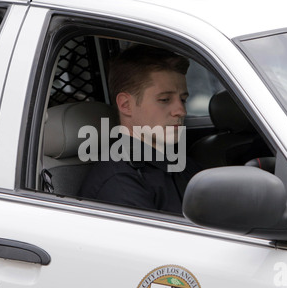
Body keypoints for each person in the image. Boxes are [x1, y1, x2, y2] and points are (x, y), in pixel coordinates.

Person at [78, 45, 201, 214]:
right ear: (126, 105)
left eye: (183, 99)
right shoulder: (121, 182)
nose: (181, 111)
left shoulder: (181, 163)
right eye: (165, 99)